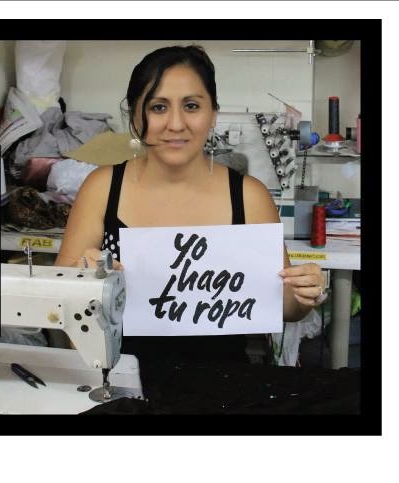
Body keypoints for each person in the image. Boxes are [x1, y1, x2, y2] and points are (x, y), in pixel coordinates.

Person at [54, 45, 326, 369]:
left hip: (224, 382)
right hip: (117, 379)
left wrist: (305, 294)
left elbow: (285, 307)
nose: (176, 123)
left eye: (192, 106)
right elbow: (59, 306)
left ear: (213, 113)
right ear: (135, 115)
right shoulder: (101, 188)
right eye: (158, 107)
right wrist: (82, 280)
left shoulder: (248, 197)